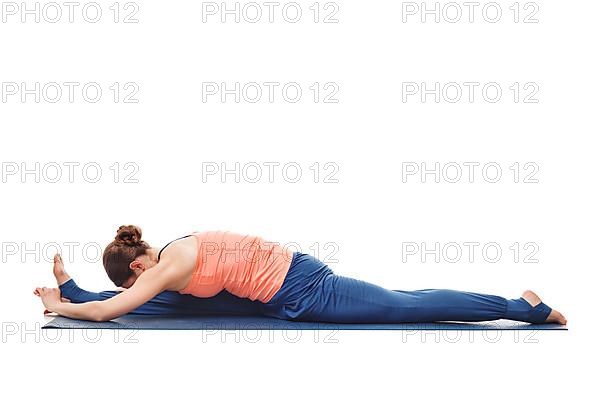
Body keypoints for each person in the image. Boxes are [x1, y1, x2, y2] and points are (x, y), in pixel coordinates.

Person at [35, 225, 567, 325]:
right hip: (265, 293)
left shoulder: (166, 267)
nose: (138, 290)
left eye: (134, 283)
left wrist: (64, 308)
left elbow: (112, 309)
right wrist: (74, 292)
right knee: (176, 303)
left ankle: (521, 307)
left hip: (304, 287)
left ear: (138, 267)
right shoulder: (170, 252)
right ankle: (73, 288)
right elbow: (126, 301)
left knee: (404, 304)